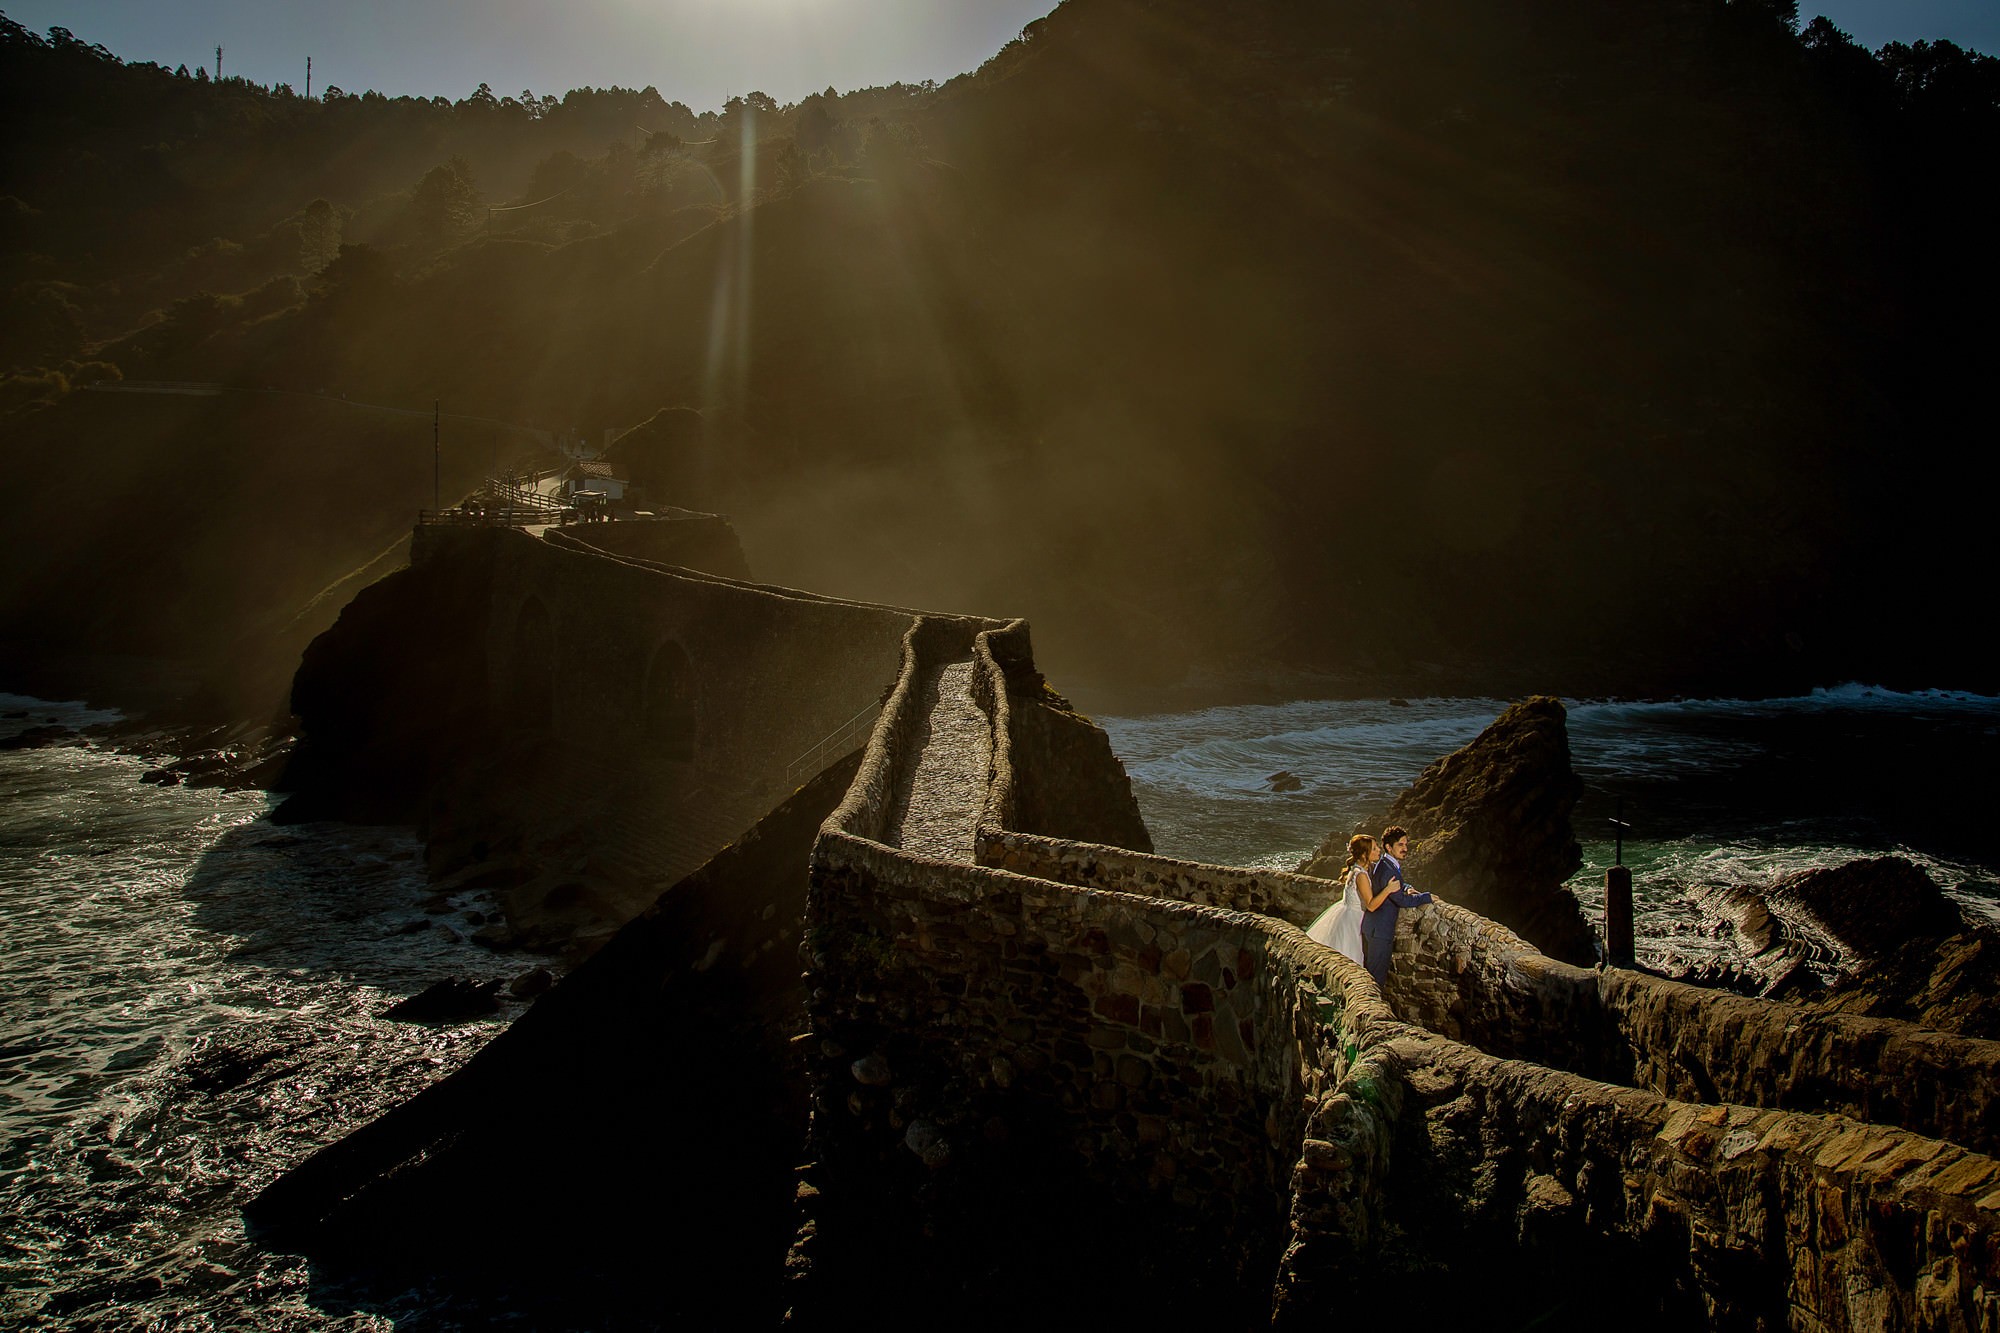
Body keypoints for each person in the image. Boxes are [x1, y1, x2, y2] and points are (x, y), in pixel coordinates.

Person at [1360, 824, 1434, 986]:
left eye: (1406, 844)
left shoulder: (1383, 864)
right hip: (1380, 931)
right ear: (1388, 847)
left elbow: (1395, 885)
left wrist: (1406, 887)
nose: (1405, 848)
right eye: (1400, 845)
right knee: (1375, 978)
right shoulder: (1389, 869)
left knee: (1371, 973)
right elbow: (1402, 900)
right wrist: (1427, 897)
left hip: (1373, 928)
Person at [1305, 833, 1375, 965]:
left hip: (1345, 913)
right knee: (1350, 956)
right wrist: (1389, 889)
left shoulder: (1354, 870)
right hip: (1354, 919)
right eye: (1375, 849)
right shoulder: (1361, 875)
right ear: (1365, 854)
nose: (1378, 851)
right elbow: (1370, 904)